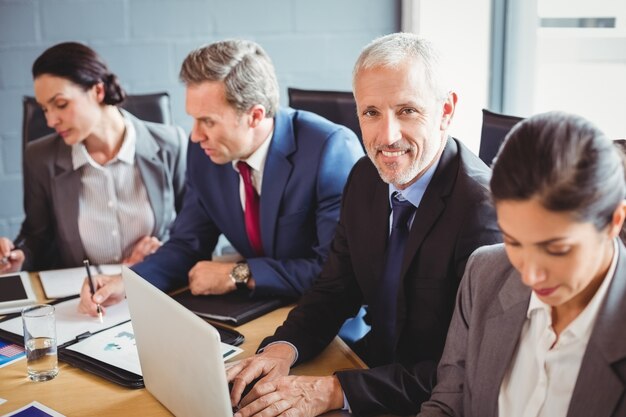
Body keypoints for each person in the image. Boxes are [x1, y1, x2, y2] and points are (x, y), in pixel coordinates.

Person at [226, 32, 502, 417]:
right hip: (370, 367)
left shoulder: (482, 211)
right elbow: (335, 288)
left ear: (446, 111)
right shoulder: (365, 176)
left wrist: (332, 391)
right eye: (371, 112)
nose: (386, 137)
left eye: (406, 110)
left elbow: (465, 371)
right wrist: (281, 349)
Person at [77, 39, 363, 314]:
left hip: (327, 319)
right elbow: (187, 243)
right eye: (193, 118)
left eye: (208, 121)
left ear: (255, 115)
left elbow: (336, 274)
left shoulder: (330, 149)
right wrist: (128, 282)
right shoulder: (206, 151)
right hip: (253, 309)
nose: (195, 135)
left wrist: (240, 273)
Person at [418, 112, 626, 417]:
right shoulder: (485, 273)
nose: (530, 275)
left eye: (557, 249)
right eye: (514, 242)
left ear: (613, 222)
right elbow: (449, 404)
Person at [0, 42, 187, 274]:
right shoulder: (40, 158)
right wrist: (20, 258)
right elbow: (36, 237)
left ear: (98, 91)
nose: (50, 121)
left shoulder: (170, 144)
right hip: (81, 296)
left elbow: (192, 231)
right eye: (45, 109)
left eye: (60, 104)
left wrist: (152, 263)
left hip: (156, 286)